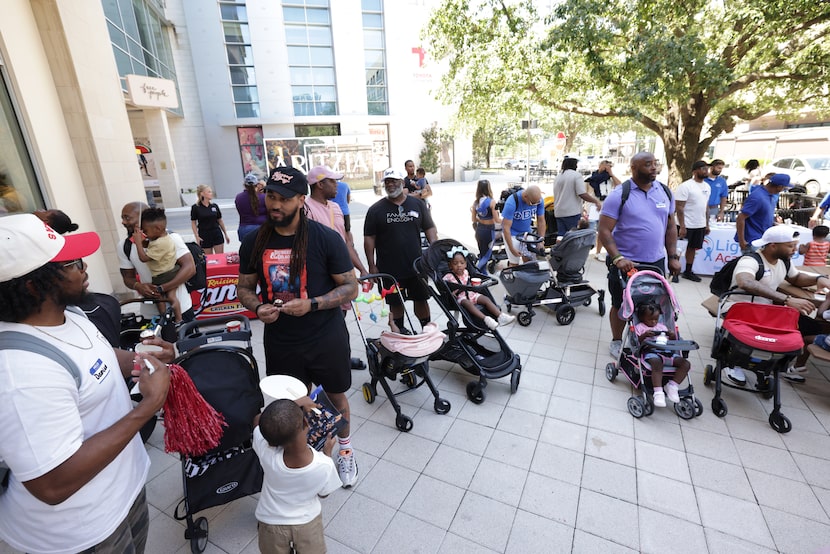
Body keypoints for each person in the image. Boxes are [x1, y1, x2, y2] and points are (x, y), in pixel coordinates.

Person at [0, 213, 170, 554]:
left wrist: (142, 358)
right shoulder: (20, 374)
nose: (84, 267)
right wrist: (147, 408)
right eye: (72, 263)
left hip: (121, 494)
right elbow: (52, 484)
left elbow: (98, 358)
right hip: (81, 532)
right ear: (34, 286)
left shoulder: (69, 313)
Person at [237, 166, 360, 488]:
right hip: (281, 339)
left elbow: (351, 288)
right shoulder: (254, 242)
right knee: (292, 404)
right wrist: (258, 306)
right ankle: (305, 459)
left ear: (301, 200)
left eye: (284, 199)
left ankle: (344, 450)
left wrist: (313, 304)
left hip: (325, 335)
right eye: (271, 197)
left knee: (336, 398)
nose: (275, 204)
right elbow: (244, 289)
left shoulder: (325, 238)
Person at [599, 151, 681, 358]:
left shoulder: (664, 192)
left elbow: (671, 226)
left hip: (656, 262)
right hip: (626, 263)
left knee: (654, 305)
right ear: (633, 168)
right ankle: (617, 340)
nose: (653, 168)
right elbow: (604, 230)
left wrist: (672, 256)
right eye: (647, 164)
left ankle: (649, 337)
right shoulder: (620, 195)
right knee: (621, 303)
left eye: (655, 164)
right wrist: (618, 258)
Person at [724, 225, 830, 384]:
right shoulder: (751, 260)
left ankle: (780, 365)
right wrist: (787, 299)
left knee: (808, 326)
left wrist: (818, 278)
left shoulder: (784, 261)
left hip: (764, 312)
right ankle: (732, 363)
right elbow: (745, 281)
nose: (795, 249)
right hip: (740, 311)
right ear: (773, 245)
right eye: (790, 246)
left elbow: (796, 278)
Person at [253, 398, 341, 554]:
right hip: (307, 524)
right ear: (306, 424)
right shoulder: (324, 465)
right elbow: (324, 494)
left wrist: (295, 403)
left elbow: (257, 421)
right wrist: (327, 453)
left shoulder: (266, 451)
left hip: (271, 524)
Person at [306, 164, 369, 371]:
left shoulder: (334, 208)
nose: (338, 185)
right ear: (320, 184)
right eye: (333, 181)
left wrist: (362, 269)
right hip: (320, 278)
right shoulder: (305, 209)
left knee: (339, 322)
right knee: (322, 323)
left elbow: (345, 243)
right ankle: (325, 362)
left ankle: (342, 358)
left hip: (340, 277)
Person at [364, 168, 437, 334]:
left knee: (421, 298)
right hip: (389, 269)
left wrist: (434, 251)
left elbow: (430, 227)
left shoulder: (417, 204)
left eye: (394, 181)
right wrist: (371, 265)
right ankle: (400, 331)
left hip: (417, 266)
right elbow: (369, 239)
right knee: (395, 302)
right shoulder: (375, 210)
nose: (390, 184)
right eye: (387, 182)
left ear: (402, 183)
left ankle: (426, 329)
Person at [118, 201, 197, 324]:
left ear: (142, 217)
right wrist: (139, 286)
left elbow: (190, 268)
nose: (123, 222)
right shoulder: (124, 246)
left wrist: (161, 288)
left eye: (127, 218)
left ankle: (176, 319)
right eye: (122, 218)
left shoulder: (170, 238)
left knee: (189, 342)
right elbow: (127, 278)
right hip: (149, 314)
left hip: (182, 308)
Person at [634, 302, 691, 407]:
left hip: (667, 352)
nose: (654, 322)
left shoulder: (662, 327)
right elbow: (637, 342)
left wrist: (672, 335)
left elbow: (673, 342)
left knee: (686, 364)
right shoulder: (640, 327)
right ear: (642, 318)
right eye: (650, 320)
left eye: (656, 319)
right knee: (657, 364)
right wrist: (644, 335)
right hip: (651, 353)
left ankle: (672, 386)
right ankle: (658, 392)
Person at [443, 248, 515, 330]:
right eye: (455, 263)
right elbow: (444, 286)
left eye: (462, 263)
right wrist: (450, 292)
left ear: (466, 264)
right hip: (461, 298)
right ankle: (486, 319)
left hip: (472, 294)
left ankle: (501, 316)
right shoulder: (449, 276)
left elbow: (469, 281)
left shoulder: (466, 272)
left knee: (485, 299)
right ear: (450, 265)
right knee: (467, 303)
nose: (459, 265)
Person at [133, 207, 182, 322]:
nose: (145, 233)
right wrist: (141, 238)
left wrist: (138, 243)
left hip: (163, 275)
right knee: (171, 297)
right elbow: (148, 244)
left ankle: (164, 317)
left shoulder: (161, 243)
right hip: (172, 271)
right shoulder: (162, 238)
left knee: (158, 296)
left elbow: (143, 258)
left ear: (157, 228)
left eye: (146, 231)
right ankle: (178, 319)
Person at [735, 173, 793, 253]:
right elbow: (741, 218)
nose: (784, 190)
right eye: (784, 188)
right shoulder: (758, 197)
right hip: (753, 241)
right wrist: (742, 241)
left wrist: (773, 223)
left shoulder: (769, 196)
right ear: (779, 187)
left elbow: (762, 215)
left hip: (762, 239)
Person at [675, 160, 712, 283]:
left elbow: (705, 206)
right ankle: (675, 271)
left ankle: (688, 271)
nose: (706, 170)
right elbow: (679, 207)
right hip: (685, 224)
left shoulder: (707, 186)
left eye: (707, 168)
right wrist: (682, 226)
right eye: (703, 168)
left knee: (692, 248)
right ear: (695, 171)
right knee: (679, 249)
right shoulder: (686, 186)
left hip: (699, 224)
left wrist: (707, 224)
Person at [554, 157, 602, 243]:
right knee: (574, 236)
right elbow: (582, 194)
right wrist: (596, 201)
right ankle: (572, 255)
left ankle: (559, 252)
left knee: (561, 235)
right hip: (571, 212)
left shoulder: (558, 176)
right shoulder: (576, 175)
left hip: (558, 212)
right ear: (574, 165)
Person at [501, 185, 546, 265]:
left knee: (530, 262)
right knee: (514, 264)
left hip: (526, 232)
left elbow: (541, 221)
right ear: (525, 196)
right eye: (532, 203)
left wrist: (541, 241)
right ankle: (512, 274)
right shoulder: (511, 202)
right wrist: (511, 248)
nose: (534, 205)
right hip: (512, 233)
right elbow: (506, 227)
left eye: (537, 203)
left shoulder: (538, 201)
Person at [471, 179, 501, 271]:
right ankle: (476, 271)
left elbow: (473, 219)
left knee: (482, 253)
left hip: (479, 230)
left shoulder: (475, 203)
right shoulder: (492, 202)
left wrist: (480, 219)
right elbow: (497, 220)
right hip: (489, 231)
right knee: (487, 255)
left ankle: (483, 274)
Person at [191, 184, 230, 254]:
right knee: (209, 259)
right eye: (209, 192)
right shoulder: (196, 207)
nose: (211, 193)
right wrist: (197, 236)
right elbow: (193, 223)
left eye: (211, 192)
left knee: (220, 256)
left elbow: (220, 220)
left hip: (216, 233)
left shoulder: (214, 206)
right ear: (202, 193)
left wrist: (226, 234)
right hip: (204, 234)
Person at [235, 173, 267, 242]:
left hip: (244, 228)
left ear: (244, 185)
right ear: (257, 185)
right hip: (261, 228)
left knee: (247, 251)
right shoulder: (263, 197)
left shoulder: (239, 197)